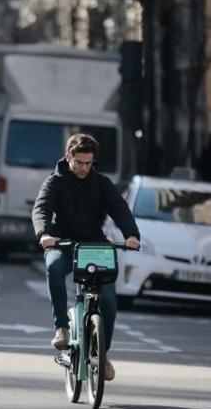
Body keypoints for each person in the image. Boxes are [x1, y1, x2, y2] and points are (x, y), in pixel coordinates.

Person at [31, 133, 140, 381]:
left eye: (88, 163)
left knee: (109, 302)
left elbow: (119, 208)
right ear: (68, 156)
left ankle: (102, 353)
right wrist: (45, 233)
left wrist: (131, 234)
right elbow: (42, 208)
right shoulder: (54, 182)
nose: (83, 168)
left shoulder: (101, 183)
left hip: (95, 246)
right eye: (79, 162)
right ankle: (61, 328)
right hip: (63, 243)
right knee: (55, 268)